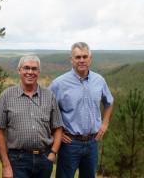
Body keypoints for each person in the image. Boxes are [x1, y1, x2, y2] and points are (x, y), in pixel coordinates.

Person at [49, 42, 114, 178]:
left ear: (90, 59)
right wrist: (56, 133)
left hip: (92, 143)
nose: (82, 60)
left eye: (85, 56)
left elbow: (109, 102)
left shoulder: (99, 80)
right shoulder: (59, 84)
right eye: (78, 57)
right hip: (69, 144)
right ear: (71, 60)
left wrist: (105, 123)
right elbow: (45, 110)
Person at [0, 55, 63, 178]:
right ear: (19, 70)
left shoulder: (49, 96)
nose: (30, 72)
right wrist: (5, 165)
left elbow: (58, 128)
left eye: (34, 69)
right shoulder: (6, 96)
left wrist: (53, 153)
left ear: (39, 72)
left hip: (44, 159)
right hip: (17, 160)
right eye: (26, 68)